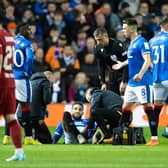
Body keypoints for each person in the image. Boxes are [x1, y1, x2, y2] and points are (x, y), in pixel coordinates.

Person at [112, 19, 158, 146]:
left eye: (124, 28)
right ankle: (118, 134)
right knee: (125, 107)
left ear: (132, 29)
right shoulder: (132, 42)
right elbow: (132, 59)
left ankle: (154, 138)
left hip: (142, 81)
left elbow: (147, 61)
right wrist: (122, 64)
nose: (123, 30)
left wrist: (141, 74)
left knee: (147, 106)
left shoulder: (142, 42)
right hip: (132, 82)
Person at [0, 7, 25, 161]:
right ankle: (19, 152)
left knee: (10, 118)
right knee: (11, 118)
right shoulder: (9, 36)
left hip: (1, 81)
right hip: (10, 80)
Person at [13, 23, 35, 144]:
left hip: (11, 76)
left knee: (13, 106)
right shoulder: (27, 43)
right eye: (29, 30)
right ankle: (28, 137)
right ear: (24, 30)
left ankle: (6, 136)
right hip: (22, 77)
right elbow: (30, 58)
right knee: (26, 106)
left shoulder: (12, 41)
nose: (31, 33)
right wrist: (27, 71)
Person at [149, 17, 168, 138]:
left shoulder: (152, 41)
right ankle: (167, 129)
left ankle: (154, 135)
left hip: (156, 78)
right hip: (167, 75)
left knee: (157, 106)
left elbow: (148, 61)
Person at [93, 27, 128, 95]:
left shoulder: (117, 45)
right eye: (96, 40)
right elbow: (101, 66)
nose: (98, 42)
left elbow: (127, 62)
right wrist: (103, 82)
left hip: (123, 74)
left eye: (100, 40)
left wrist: (124, 81)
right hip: (112, 76)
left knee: (125, 98)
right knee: (114, 98)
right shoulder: (97, 48)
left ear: (106, 36)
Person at [30, 71, 53, 144]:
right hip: (35, 115)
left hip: (21, 115)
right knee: (47, 140)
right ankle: (34, 138)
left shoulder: (30, 81)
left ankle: (29, 136)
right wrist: (41, 116)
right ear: (48, 77)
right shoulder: (45, 82)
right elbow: (46, 100)